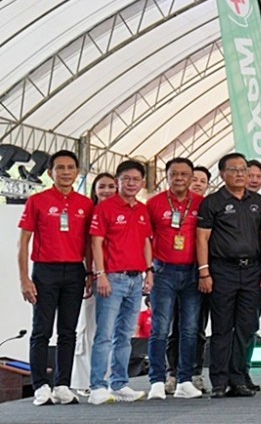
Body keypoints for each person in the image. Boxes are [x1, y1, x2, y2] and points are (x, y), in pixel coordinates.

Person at [18, 150, 93, 406]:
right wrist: (25, 279)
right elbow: (23, 242)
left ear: (77, 172)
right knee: (42, 330)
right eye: (60, 168)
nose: (65, 172)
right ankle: (40, 385)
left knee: (68, 332)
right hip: (45, 271)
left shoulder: (85, 204)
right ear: (51, 172)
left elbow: (89, 243)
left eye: (70, 167)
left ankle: (62, 384)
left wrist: (90, 272)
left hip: (75, 272)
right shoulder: (37, 201)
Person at [197, 153, 261, 398]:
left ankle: (239, 378)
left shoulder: (258, 202)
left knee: (247, 327)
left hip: (252, 270)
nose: (240, 174)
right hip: (222, 270)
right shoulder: (212, 202)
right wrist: (204, 272)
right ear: (222, 174)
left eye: (243, 169)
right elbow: (202, 238)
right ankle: (219, 381)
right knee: (222, 327)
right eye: (234, 169)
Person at [88, 160, 154, 404]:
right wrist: (100, 274)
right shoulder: (105, 208)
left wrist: (149, 271)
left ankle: (119, 383)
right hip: (112, 278)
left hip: (136, 279)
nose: (131, 183)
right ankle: (97, 386)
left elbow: (146, 241)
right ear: (118, 182)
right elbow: (96, 242)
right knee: (104, 334)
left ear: (142, 183)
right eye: (126, 179)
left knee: (125, 335)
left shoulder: (143, 210)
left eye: (136, 179)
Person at [146, 157, 205, 400]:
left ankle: (185, 380)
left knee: (190, 329)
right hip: (163, 272)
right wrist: (148, 270)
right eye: (174, 174)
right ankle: (157, 380)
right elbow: (145, 238)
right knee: (160, 328)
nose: (179, 178)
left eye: (184, 174)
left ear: (191, 178)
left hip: (192, 272)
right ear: (167, 176)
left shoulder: (201, 203)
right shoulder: (154, 203)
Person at [71, 173, 116, 396]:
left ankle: (108, 379)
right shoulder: (89, 212)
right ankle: (84, 381)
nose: (107, 191)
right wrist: (91, 273)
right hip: (92, 275)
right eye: (102, 186)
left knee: (111, 330)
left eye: (111, 186)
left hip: (116, 275)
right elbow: (86, 246)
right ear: (94, 189)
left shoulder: (120, 212)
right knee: (89, 328)